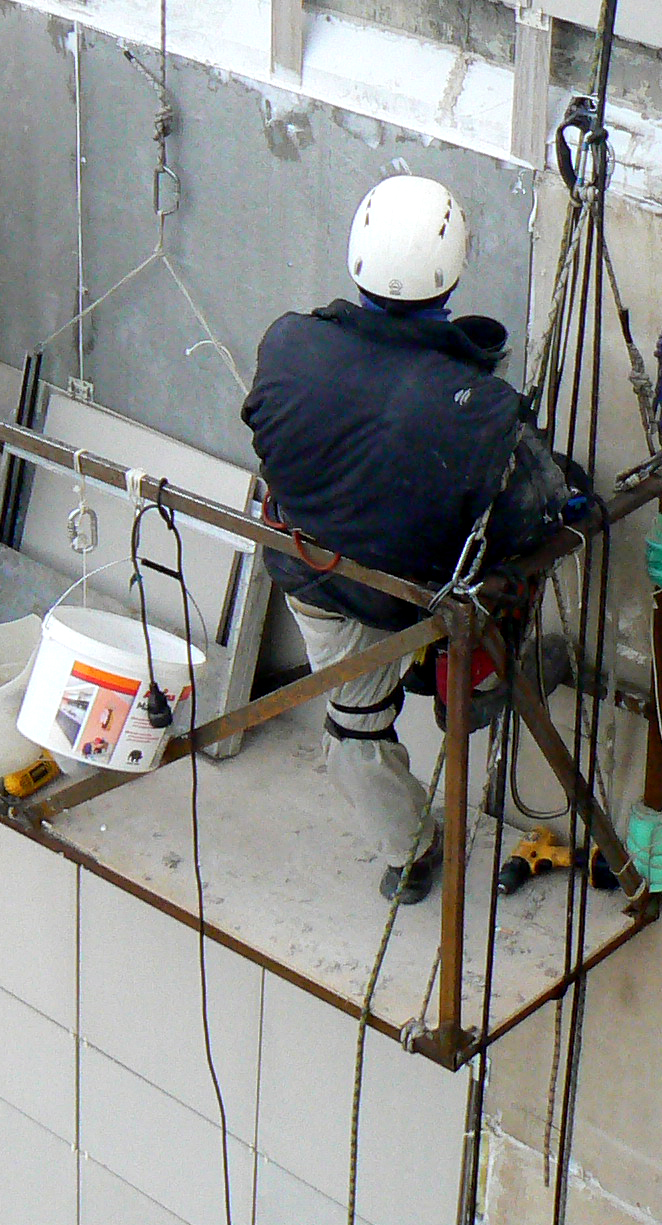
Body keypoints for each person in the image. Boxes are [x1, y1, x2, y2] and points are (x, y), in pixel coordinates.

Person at [240, 175, 580, 905]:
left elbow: (269, 433)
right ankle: (478, 669)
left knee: (354, 728)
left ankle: (410, 849)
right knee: (499, 564)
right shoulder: (480, 410)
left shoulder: (288, 344)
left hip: (312, 574)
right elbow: (533, 513)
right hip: (408, 598)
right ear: (453, 273)